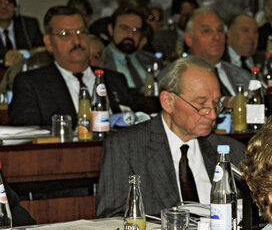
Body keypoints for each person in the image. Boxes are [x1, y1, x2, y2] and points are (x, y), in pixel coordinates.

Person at [96, 56, 244, 218]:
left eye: (216, 104)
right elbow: (112, 218)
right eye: (201, 105)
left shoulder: (232, 151)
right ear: (168, 102)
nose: (212, 115)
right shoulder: (126, 147)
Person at [9, 5, 132, 127]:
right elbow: (26, 137)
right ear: (48, 42)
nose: (77, 41)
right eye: (65, 34)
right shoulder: (31, 84)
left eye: (81, 32)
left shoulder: (115, 80)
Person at [175, 9, 253, 98]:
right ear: (189, 38)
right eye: (207, 31)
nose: (216, 37)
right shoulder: (176, 78)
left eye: (220, 30)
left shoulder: (245, 77)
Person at [103, 6, 154, 92]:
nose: (130, 35)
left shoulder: (152, 61)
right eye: (124, 28)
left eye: (135, 30)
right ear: (111, 29)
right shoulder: (100, 61)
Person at [0, 0, 44, 67]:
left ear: (15, 5)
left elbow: (43, 51)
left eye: (7, 1)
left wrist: (24, 55)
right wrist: (4, 58)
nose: (4, 6)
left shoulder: (29, 25)